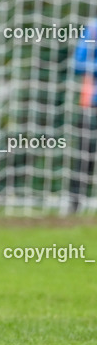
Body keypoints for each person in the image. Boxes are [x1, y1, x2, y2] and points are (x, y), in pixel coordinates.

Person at [70, 19, 97, 213]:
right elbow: (78, 64)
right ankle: (74, 205)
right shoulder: (94, 29)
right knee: (84, 157)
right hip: (92, 103)